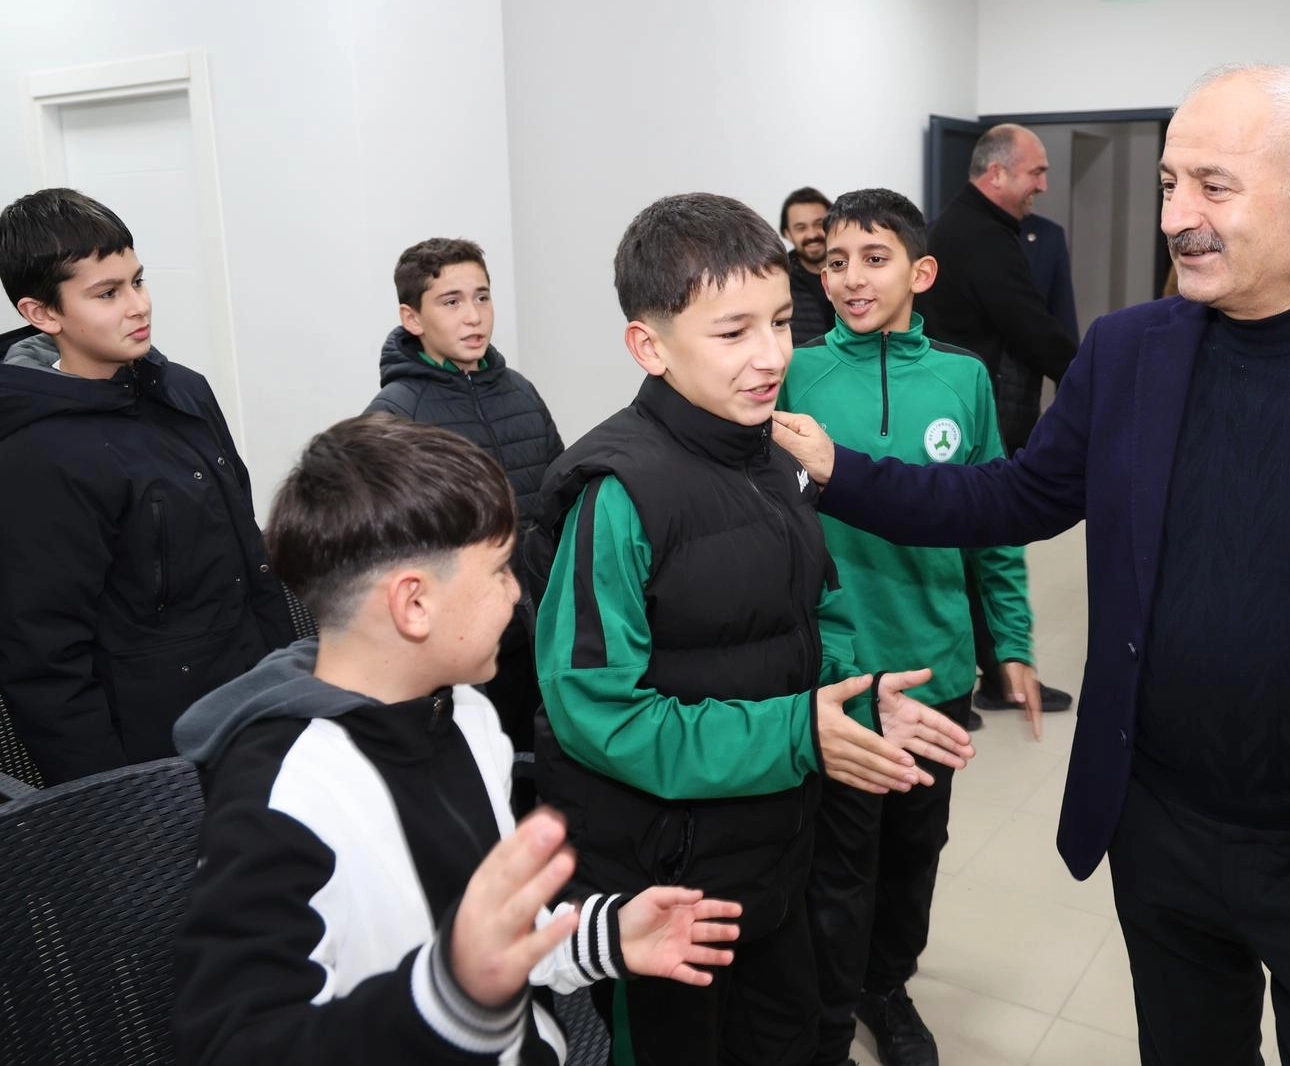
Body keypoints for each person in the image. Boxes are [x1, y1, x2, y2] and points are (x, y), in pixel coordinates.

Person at [774, 64, 1290, 1065]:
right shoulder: (1128, 350)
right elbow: (1012, 497)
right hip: (1163, 835)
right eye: (1169, 185)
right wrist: (841, 470)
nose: (1177, 217)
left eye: (1213, 187)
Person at [532, 192, 975, 1066]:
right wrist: (798, 733)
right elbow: (596, 713)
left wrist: (851, 704)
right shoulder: (616, 495)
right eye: (733, 332)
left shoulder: (776, 458)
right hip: (670, 892)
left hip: (779, 855)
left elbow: (821, 612)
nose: (772, 355)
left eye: (779, 322)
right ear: (650, 346)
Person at [172, 414, 745, 1066]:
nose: (516, 590)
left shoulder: (465, 714)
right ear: (413, 604)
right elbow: (233, 1043)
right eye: (499, 570)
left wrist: (603, 935)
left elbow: (484, 935)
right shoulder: (286, 790)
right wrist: (451, 996)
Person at [782, 188, 1041, 1066]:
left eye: (874, 258)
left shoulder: (964, 381)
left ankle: (886, 988)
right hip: (838, 673)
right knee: (839, 857)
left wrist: (1012, 643)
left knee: (913, 851)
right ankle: (829, 1010)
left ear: (921, 273)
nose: (851, 278)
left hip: (935, 669)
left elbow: (995, 521)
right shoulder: (795, 372)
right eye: (836, 262)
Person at [0, 188, 294, 785]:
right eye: (108, 293)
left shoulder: (185, 390)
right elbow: (44, 658)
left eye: (138, 281)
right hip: (159, 763)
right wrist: (114, 806)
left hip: (259, 712)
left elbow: (251, 562)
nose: (138, 306)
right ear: (43, 314)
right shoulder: (34, 451)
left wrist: (293, 686)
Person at [366, 237, 563, 763]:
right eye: (451, 302)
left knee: (543, 767)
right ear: (412, 318)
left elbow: (557, 504)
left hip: (535, 632)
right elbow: (387, 549)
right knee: (479, 774)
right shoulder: (395, 415)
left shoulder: (520, 392)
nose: (473, 316)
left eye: (482, 297)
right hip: (457, 649)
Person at [920, 124, 1077, 723]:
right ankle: (979, 677)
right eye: (1036, 172)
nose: (1043, 184)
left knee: (979, 541)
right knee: (979, 541)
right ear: (997, 174)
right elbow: (1028, 324)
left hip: (960, 407)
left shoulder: (972, 225)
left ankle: (992, 672)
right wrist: (1092, 380)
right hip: (961, 415)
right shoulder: (979, 234)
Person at [780, 187, 835, 344]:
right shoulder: (777, 282)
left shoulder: (857, 274)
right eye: (801, 228)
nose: (812, 234)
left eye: (819, 224)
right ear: (787, 234)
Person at [1020, 211, 1080, 343]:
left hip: (1028, 352)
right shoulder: (974, 228)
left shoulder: (1048, 234)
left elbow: (1063, 314)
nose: (1030, 202)